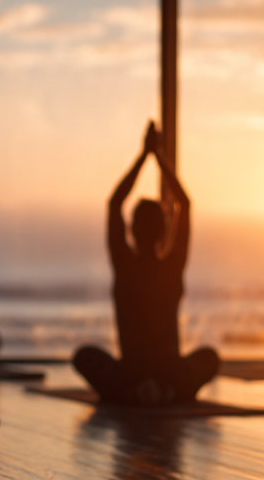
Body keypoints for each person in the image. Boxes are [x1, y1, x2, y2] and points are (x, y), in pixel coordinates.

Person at [73, 122, 219, 406]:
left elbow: (115, 203)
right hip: (169, 371)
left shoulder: (125, 264)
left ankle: (133, 392)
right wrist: (158, 156)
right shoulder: (171, 267)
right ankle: (168, 391)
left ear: (131, 230)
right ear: (163, 232)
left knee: (84, 357)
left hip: (130, 372)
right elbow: (185, 204)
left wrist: (145, 155)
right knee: (209, 359)